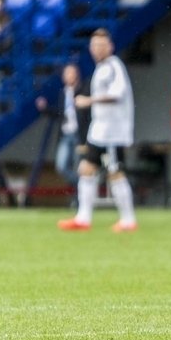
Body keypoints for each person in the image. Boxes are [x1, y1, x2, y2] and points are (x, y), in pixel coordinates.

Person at [58, 29, 137, 233]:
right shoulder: (101, 68)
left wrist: (89, 101)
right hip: (99, 130)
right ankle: (83, 218)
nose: (97, 49)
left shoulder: (113, 66)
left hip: (113, 131)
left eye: (101, 45)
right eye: (94, 45)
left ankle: (128, 220)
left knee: (115, 173)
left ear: (109, 46)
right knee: (86, 169)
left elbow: (117, 94)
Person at [35, 64, 90, 191]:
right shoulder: (63, 93)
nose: (68, 76)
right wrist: (45, 109)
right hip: (65, 134)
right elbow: (60, 113)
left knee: (79, 166)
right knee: (61, 166)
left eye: (71, 73)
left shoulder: (83, 89)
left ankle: (79, 198)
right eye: (66, 74)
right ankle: (81, 187)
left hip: (79, 134)